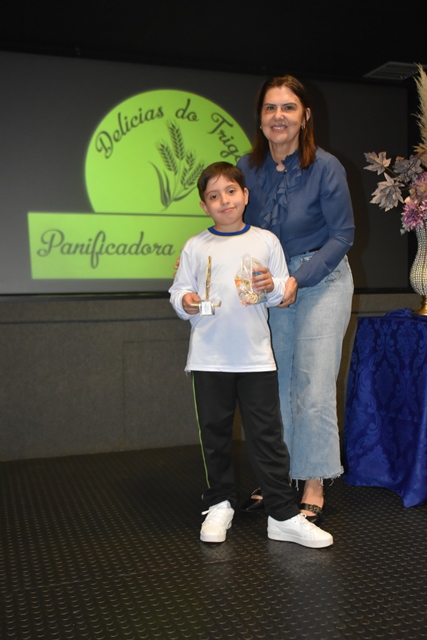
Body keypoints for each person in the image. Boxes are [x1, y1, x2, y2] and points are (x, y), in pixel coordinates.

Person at [169, 161, 333, 548]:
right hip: (209, 359)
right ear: (204, 205)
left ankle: (283, 515)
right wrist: (185, 301)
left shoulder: (266, 241)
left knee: (268, 438)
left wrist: (271, 285)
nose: (224, 200)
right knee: (215, 435)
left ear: (245, 195)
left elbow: (280, 293)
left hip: (256, 358)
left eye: (231, 191)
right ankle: (219, 504)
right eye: (213, 196)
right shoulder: (195, 246)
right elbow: (178, 292)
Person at [237, 75, 354, 523]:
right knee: (274, 386)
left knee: (314, 384)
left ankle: (313, 480)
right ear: (260, 119)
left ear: (305, 116)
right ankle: (277, 476)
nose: (278, 116)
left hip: (322, 280)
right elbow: (233, 226)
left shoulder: (326, 167)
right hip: (269, 283)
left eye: (288, 107)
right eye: (270, 108)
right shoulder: (246, 169)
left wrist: (298, 280)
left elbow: (343, 235)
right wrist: (201, 255)